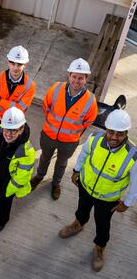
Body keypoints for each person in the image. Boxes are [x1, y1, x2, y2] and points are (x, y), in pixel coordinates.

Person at [58, 110, 137, 272]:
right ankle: (78, 224)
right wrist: (76, 170)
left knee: (103, 224)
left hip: (108, 199)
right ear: (106, 129)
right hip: (85, 187)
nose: (114, 137)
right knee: (82, 209)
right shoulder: (94, 138)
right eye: (111, 132)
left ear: (126, 133)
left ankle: (100, 247)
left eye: (120, 134)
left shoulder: (133, 155)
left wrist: (127, 203)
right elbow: (84, 153)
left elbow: (136, 183)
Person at [30, 58, 98, 200]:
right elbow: (46, 107)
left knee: (62, 163)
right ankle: (39, 176)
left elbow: (88, 121)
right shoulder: (56, 88)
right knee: (44, 158)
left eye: (80, 78)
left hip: (69, 142)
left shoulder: (91, 100)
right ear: (69, 76)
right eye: (74, 76)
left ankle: (56, 183)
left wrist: (71, 132)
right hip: (48, 135)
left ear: (86, 79)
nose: (76, 81)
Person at [0, 45, 35, 132]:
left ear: (25, 65)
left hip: (13, 125)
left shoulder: (30, 86)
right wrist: (13, 106)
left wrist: (0, 101)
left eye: (19, 64)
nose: (15, 68)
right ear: (8, 62)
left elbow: (21, 109)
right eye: (12, 63)